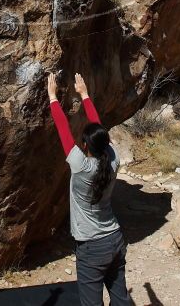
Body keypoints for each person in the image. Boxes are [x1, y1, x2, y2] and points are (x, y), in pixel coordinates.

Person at [46, 72, 131, 306]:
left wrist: (52, 96)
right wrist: (84, 95)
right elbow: (100, 130)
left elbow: (63, 129)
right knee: (121, 298)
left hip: (92, 246)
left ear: (85, 146)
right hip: (114, 238)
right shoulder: (114, 159)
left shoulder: (81, 166)